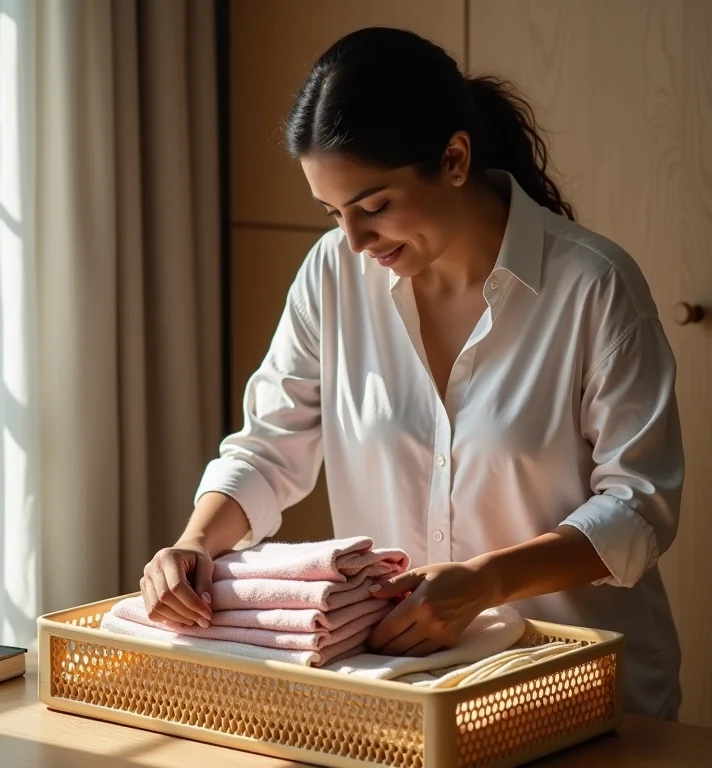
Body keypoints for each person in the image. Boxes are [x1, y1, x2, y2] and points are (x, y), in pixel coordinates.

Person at [140, 27, 683, 719]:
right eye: (332, 213)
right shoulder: (332, 275)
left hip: (581, 691)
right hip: (407, 699)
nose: (355, 242)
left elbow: (639, 508)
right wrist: (194, 543)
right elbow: (270, 446)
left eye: (373, 207)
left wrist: (484, 583)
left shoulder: (594, 286)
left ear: (454, 158)